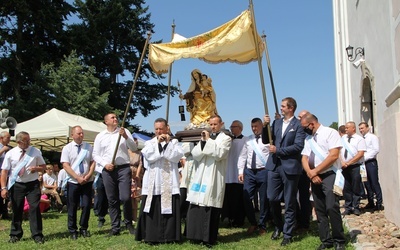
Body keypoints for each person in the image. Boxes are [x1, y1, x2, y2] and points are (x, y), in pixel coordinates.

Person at [262, 97, 306, 246]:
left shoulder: (299, 125)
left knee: (289, 201)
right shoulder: (277, 123)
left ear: (291, 108)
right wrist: (265, 126)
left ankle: (288, 233)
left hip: (290, 167)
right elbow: (265, 139)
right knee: (272, 198)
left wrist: (279, 150)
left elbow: (298, 146)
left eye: (283, 106)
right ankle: (278, 226)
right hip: (274, 165)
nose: (281, 108)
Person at [300, 113, 346, 250]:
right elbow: (304, 158)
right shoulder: (309, 139)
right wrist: (311, 173)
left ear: (312, 124)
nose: (304, 130)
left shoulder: (330, 133)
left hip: (329, 174)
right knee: (319, 210)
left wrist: (316, 170)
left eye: (305, 127)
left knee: (332, 207)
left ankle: (339, 240)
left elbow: (333, 156)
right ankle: (326, 240)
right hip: (314, 177)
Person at [135, 118, 184, 243]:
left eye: (161, 128)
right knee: (153, 208)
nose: (158, 131)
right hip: (154, 181)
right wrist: (157, 143)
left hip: (169, 181)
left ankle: (170, 236)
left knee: (169, 208)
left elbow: (176, 157)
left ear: (167, 128)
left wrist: (167, 144)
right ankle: (151, 236)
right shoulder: (149, 143)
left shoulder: (174, 142)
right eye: (156, 129)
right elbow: (149, 157)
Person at [186, 115, 232, 246]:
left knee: (210, 205)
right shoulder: (205, 138)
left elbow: (219, 154)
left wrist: (208, 142)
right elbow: (196, 154)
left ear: (221, 124)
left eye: (215, 124)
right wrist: (204, 142)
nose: (212, 127)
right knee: (198, 204)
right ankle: (196, 235)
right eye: (210, 124)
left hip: (214, 175)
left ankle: (209, 238)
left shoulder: (226, 138)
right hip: (201, 174)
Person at [93, 113, 137, 236]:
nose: (115, 119)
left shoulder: (124, 131)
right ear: (106, 121)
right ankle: (115, 227)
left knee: (125, 197)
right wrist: (104, 164)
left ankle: (128, 223)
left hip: (123, 168)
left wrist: (126, 137)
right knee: (112, 199)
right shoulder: (100, 136)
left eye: (116, 117)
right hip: (108, 170)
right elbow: (95, 154)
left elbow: (134, 148)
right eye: (112, 118)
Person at [0, 131, 46, 244]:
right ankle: (15, 234)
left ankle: (37, 235)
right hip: (17, 185)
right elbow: (4, 172)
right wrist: (3, 188)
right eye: (27, 140)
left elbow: (43, 167)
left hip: (32, 184)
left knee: (34, 208)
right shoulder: (11, 153)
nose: (29, 142)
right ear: (19, 142)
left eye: (29, 140)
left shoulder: (35, 151)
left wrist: (36, 168)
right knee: (17, 209)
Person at [60, 125, 95, 240]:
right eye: (78, 133)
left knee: (86, 205)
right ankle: (73, 230)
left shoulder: (88, 147)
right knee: (72, 206)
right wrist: (77, 177)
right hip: (73, 182)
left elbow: (92, 162)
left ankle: (84, 228)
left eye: (82, 133)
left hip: (87, 181)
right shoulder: (67, 148)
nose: (81, 135)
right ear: (72, 135)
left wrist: (89, 174)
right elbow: (65, 165)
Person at [238, 118, 270, 235]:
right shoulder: (248, 140)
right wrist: (241, 171)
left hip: (263, 171)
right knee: (246, 198)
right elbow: (243, 156)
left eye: (256, 126)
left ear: (261, 125)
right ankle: (253, 222)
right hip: (250, 172)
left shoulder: (268, 139)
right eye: (252, 126)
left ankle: (262, 224)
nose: (254, 129)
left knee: (263, 200)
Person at [221, 120, 246, 228]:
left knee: (238, 198)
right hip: (228, 173)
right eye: (231, 127)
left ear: (240, 128)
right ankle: (228, 218)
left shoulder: (245, 140)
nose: (231, 128)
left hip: (238, 173)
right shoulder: (227, 140)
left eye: (233, 126)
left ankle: (238, 219)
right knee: (228, 198)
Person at [340, 121, 366, 216]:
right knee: (346, 187)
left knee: (356, 186)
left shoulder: (359, 139)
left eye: (347, 128)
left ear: (353, 128)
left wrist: (349, 163)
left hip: (355, 166)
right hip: (344, 166)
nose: (345, 129)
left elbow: (360, 154)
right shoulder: (343, 138)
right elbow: (339, 151)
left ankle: (356, 206)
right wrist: (342, 161)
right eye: (345, 128)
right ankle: (348, 206)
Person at [358, 122, 383, 211]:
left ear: (367, 128)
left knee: (374, 182)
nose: (361, 130)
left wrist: (365, 157)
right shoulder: (361, 139)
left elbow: (376, 149)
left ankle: (379, 203)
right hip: (363, 164)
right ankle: (370, 201)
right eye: (360, 129)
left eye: (362, 128)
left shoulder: (372, 137)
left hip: (370, 162)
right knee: (366, 183)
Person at [296, 110, 312, 230]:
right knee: (292, 196)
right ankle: (297, 219)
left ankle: (305, 221)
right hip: (294, 166)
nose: (299, 119)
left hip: (305, 168)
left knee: (304, 196)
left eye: (301, 117)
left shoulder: (310, 133)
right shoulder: (296, 130)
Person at [0, 131, 12, 219]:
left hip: (7, 174)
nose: (9, 139)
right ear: (1, 138)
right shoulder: (3, 148)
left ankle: (5, 212)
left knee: (6, 192)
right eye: (7, 138)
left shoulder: (10, 148)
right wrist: (3, 150)